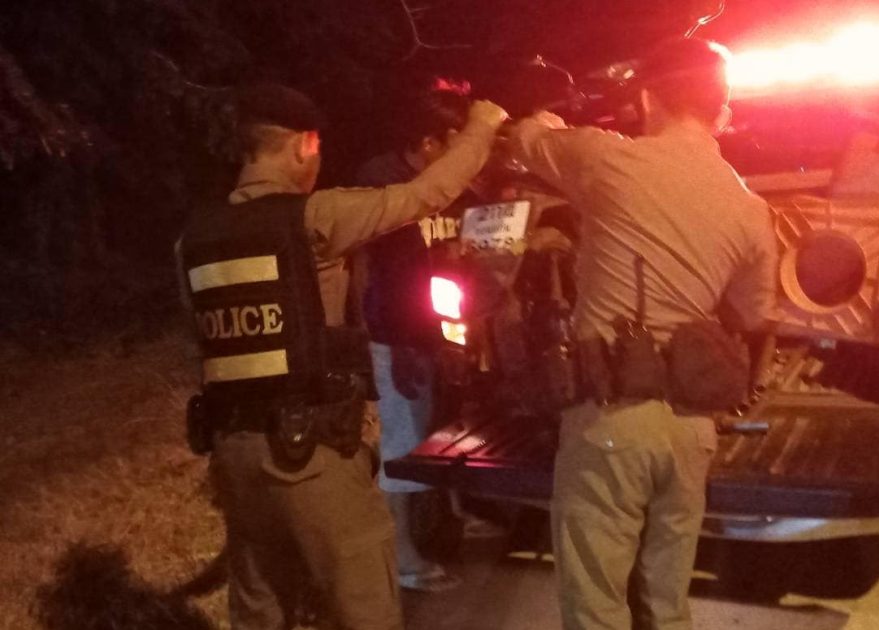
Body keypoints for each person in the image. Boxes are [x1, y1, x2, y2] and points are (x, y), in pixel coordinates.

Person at [177, 83, 506, 630]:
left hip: (232, 458)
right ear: (303, 146)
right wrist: (482, 128)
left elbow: (203, 338)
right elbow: (425, 195)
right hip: (309, 453)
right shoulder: (316, 217)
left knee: (259, 610)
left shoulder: (194, 238)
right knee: (365, 605)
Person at [509, 39, 778, 630]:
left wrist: (545, 119)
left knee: (596, 606)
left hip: (612, 423)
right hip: (691, 430)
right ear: (722, 111)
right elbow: (755, 312)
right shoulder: (749, 207)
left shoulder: (608, 160)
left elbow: (526, 140)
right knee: (667, 605)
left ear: (650, 99)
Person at [353, 83, 499, 594]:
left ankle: (453, 517)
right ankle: (402, 560)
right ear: (430, 142)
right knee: (402, 445)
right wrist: (394, 346)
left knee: (441, 432)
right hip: (397, 338)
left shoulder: (451, 189)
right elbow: (379, 278)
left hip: (436, 336)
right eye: (458, 142)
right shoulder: (384, 184)